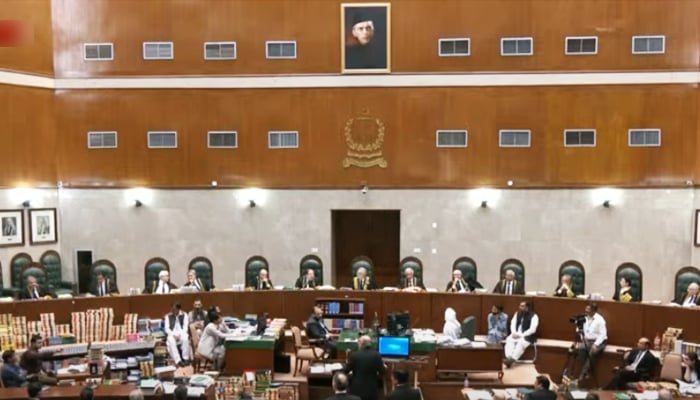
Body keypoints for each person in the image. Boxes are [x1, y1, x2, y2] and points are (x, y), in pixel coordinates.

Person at [344, 335, 385, 400]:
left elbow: (346, 370)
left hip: (357, 390)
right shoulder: (377, 355)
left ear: (361, 343)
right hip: (371, 390)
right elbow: (382, 371)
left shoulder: (354, 355)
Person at [577, 303, 607, 380]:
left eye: (588, 309)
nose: (586, 311)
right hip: (587, 340)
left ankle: (583, 373)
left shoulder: (600, 320)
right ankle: (587, 372)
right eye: (586, 309)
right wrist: (583, 338)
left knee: (592, 352)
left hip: (599, 341)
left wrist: (596, 344)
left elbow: (603, 334)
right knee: (581, 349)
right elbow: (579, 329)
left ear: (594, 311)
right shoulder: (585, 318)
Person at [504, 301, 538, 368]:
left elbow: (533, 329)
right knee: (509, 340)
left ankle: (513, 359)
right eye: (520, 306)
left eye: (522, 306)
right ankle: (509, 357)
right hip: (516, 333)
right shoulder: (517, 313)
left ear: (527, 307)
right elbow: (512, 324)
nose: (520, 307)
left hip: (526, 335)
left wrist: (521, 335)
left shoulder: (534, 316)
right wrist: (513, 333)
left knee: (521, 343)